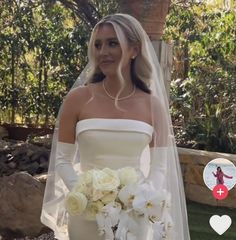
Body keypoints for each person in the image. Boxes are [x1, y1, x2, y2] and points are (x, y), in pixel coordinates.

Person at [41, 13, 191, 240]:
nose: (103, 52)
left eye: (113, 43)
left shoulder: (153, 105)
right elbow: (63, 160)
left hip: (133, 216)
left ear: (134, 50)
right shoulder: (78, 99)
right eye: (98, 45)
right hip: (86, 214)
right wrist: (87, 196)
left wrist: (137, 201)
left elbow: (160, 168)